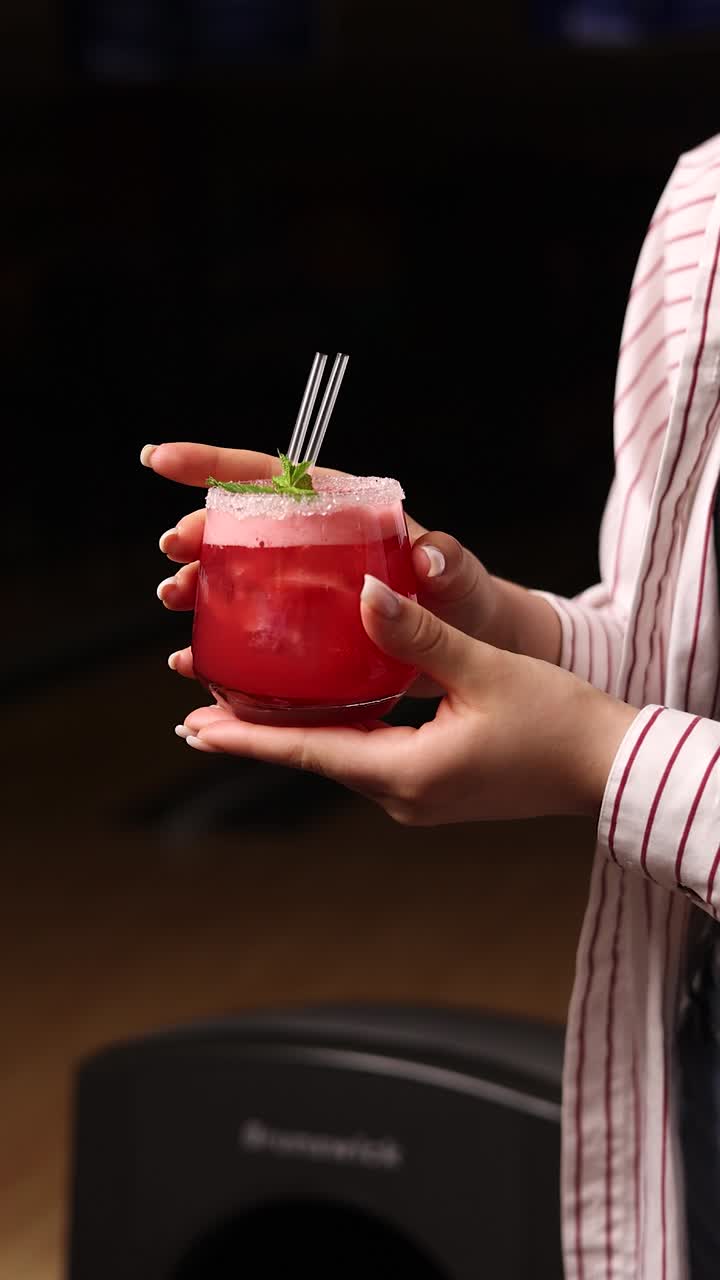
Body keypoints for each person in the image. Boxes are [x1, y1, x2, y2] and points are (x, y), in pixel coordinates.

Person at [141, 130, 720, 1278]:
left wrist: (601, 760)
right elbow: (683, 654)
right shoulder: (707, 203)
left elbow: (634, 739)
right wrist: (487, 620)